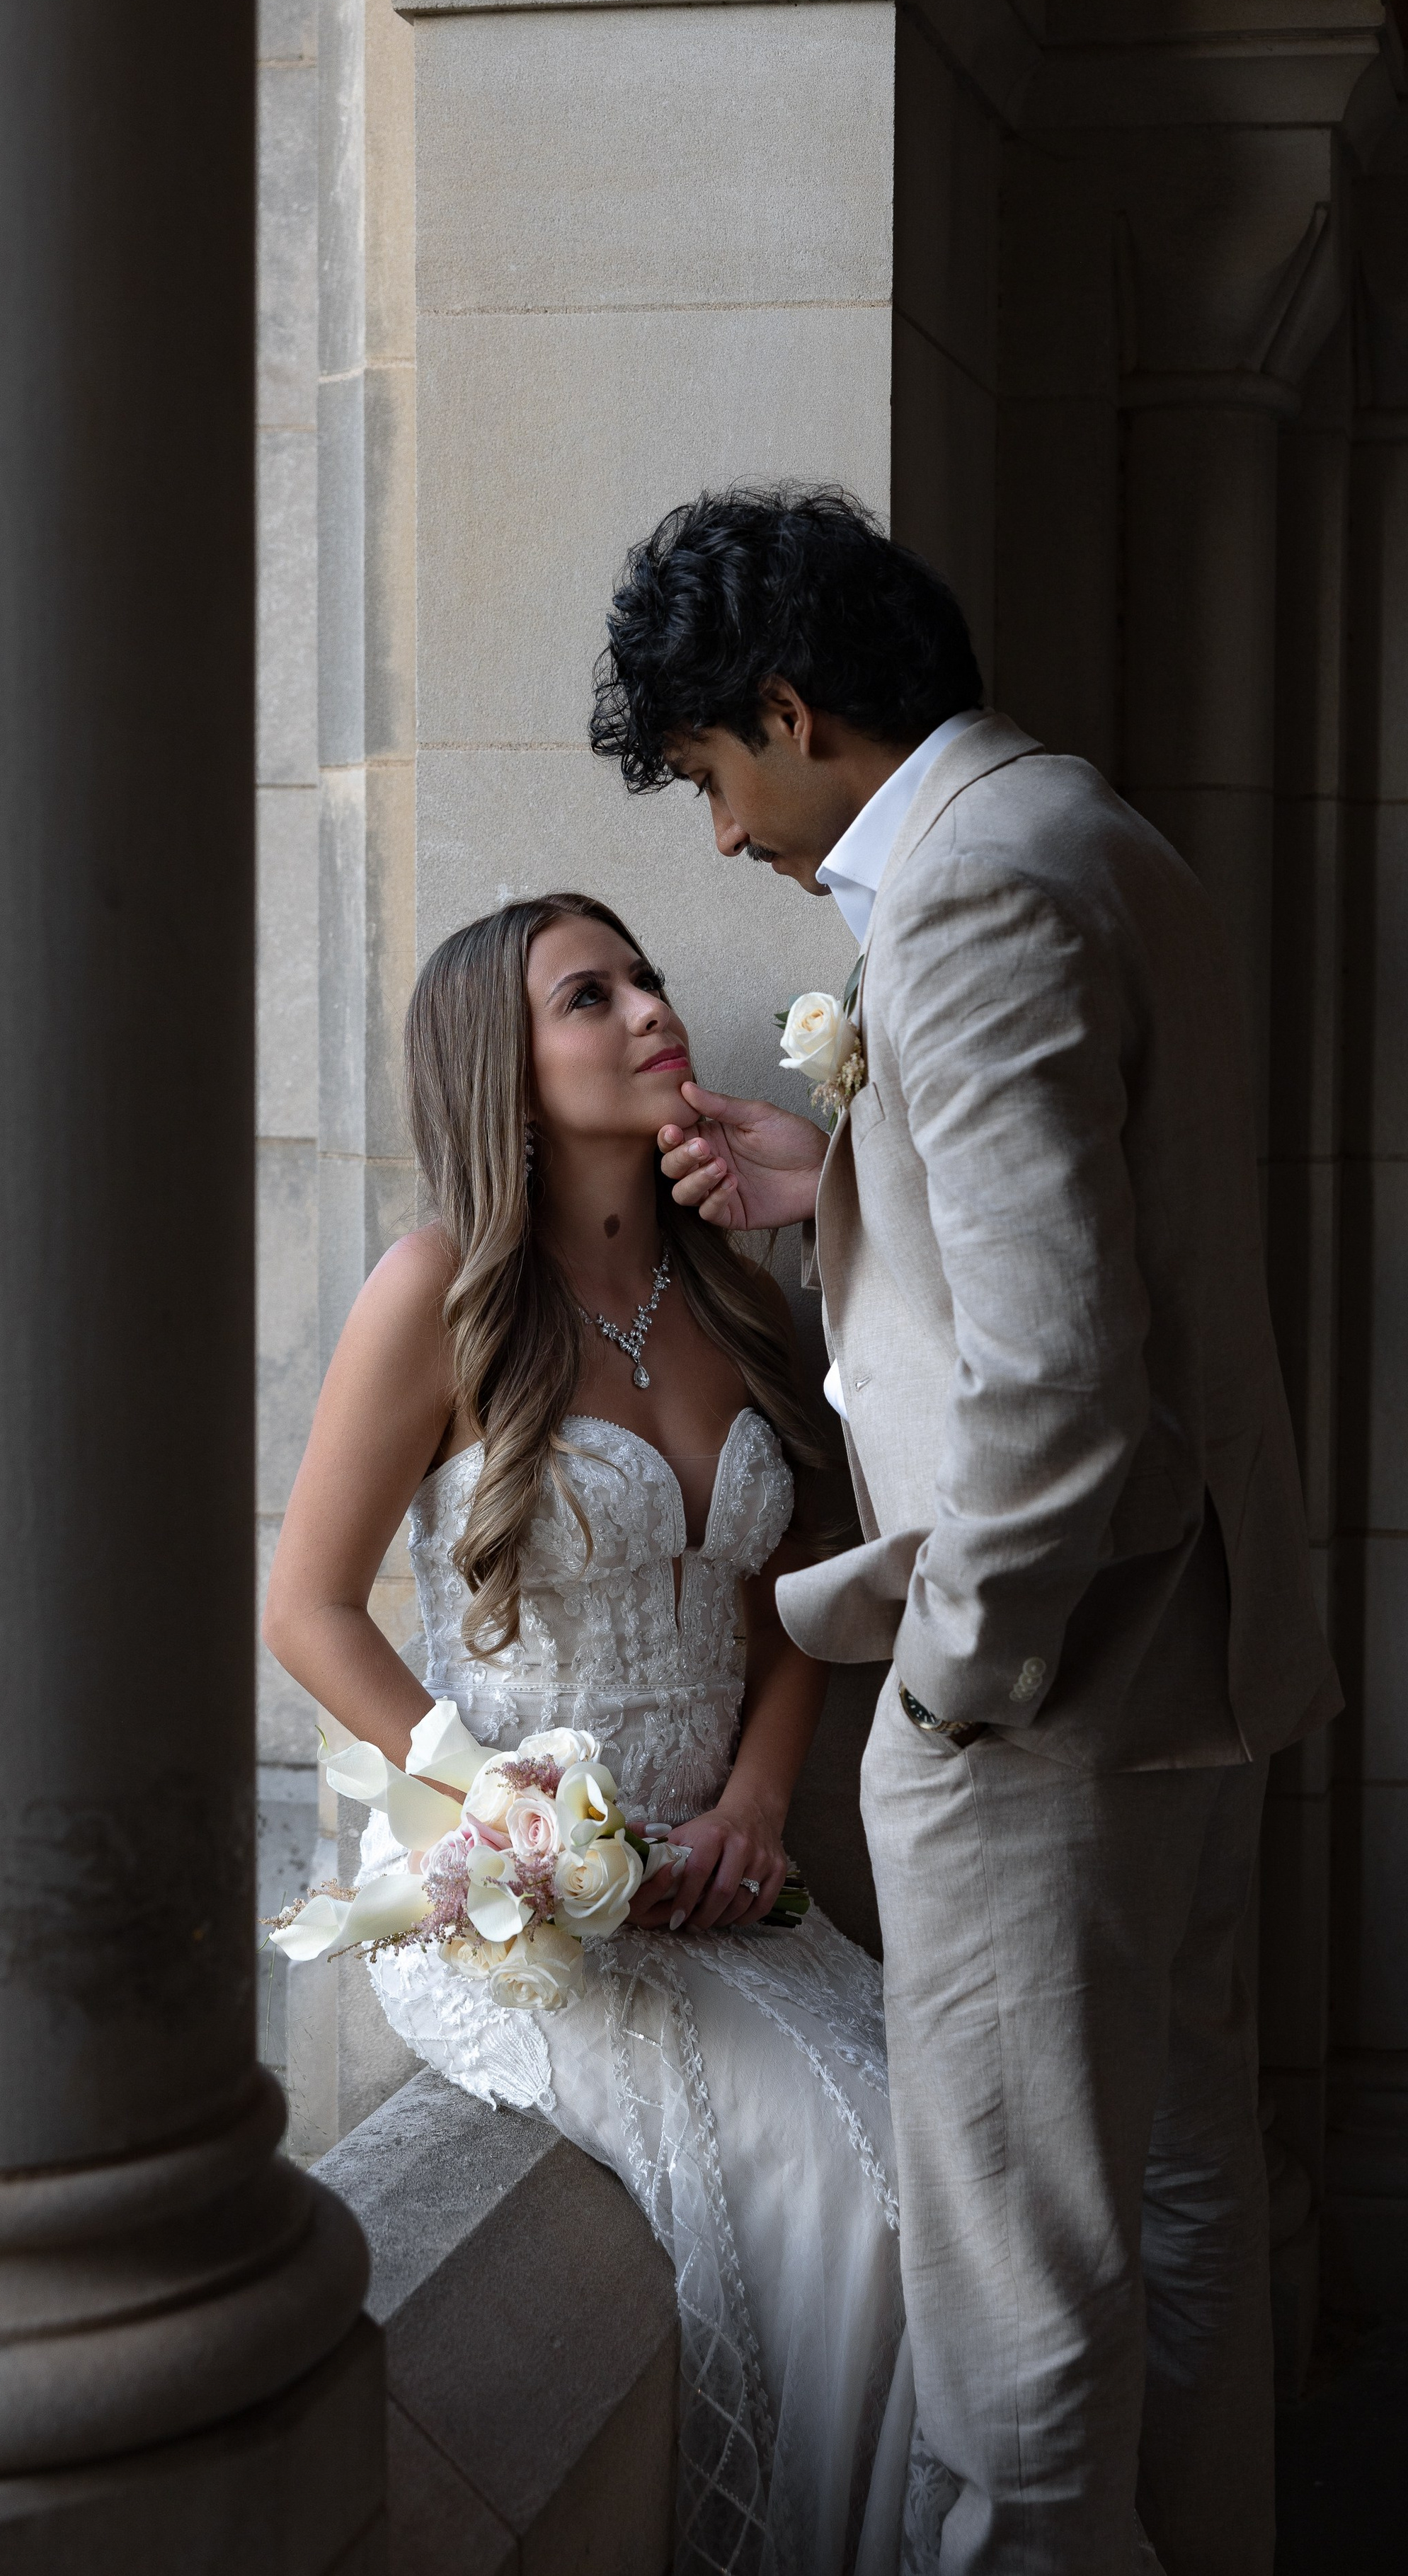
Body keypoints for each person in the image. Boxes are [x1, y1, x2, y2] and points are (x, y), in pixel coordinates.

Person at [590, 486, 1342, 2576]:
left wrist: (953, 1682)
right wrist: (839, 1180)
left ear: (791, 706)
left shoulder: (970, 897)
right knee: (1181, 2220)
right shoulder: (1093, 833)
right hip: (1195, 1663)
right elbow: (1088, 1253)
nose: (726, 838)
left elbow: (1060, 1377)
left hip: (1056, 1699)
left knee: (1016, 2311)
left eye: (710, 777)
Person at [264, 890, 946, 2576]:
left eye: (646, 973)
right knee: (864, 2201)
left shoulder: (743, 1293)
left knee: (945, 2180)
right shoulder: (436, 1291)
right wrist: (502, 1814)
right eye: (593, 994)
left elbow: (803, 1580)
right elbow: (307, 1607)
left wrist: (761, 1799)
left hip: (720, 1875)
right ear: (504, 1065)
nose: (651, 1007)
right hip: (521, 1904)